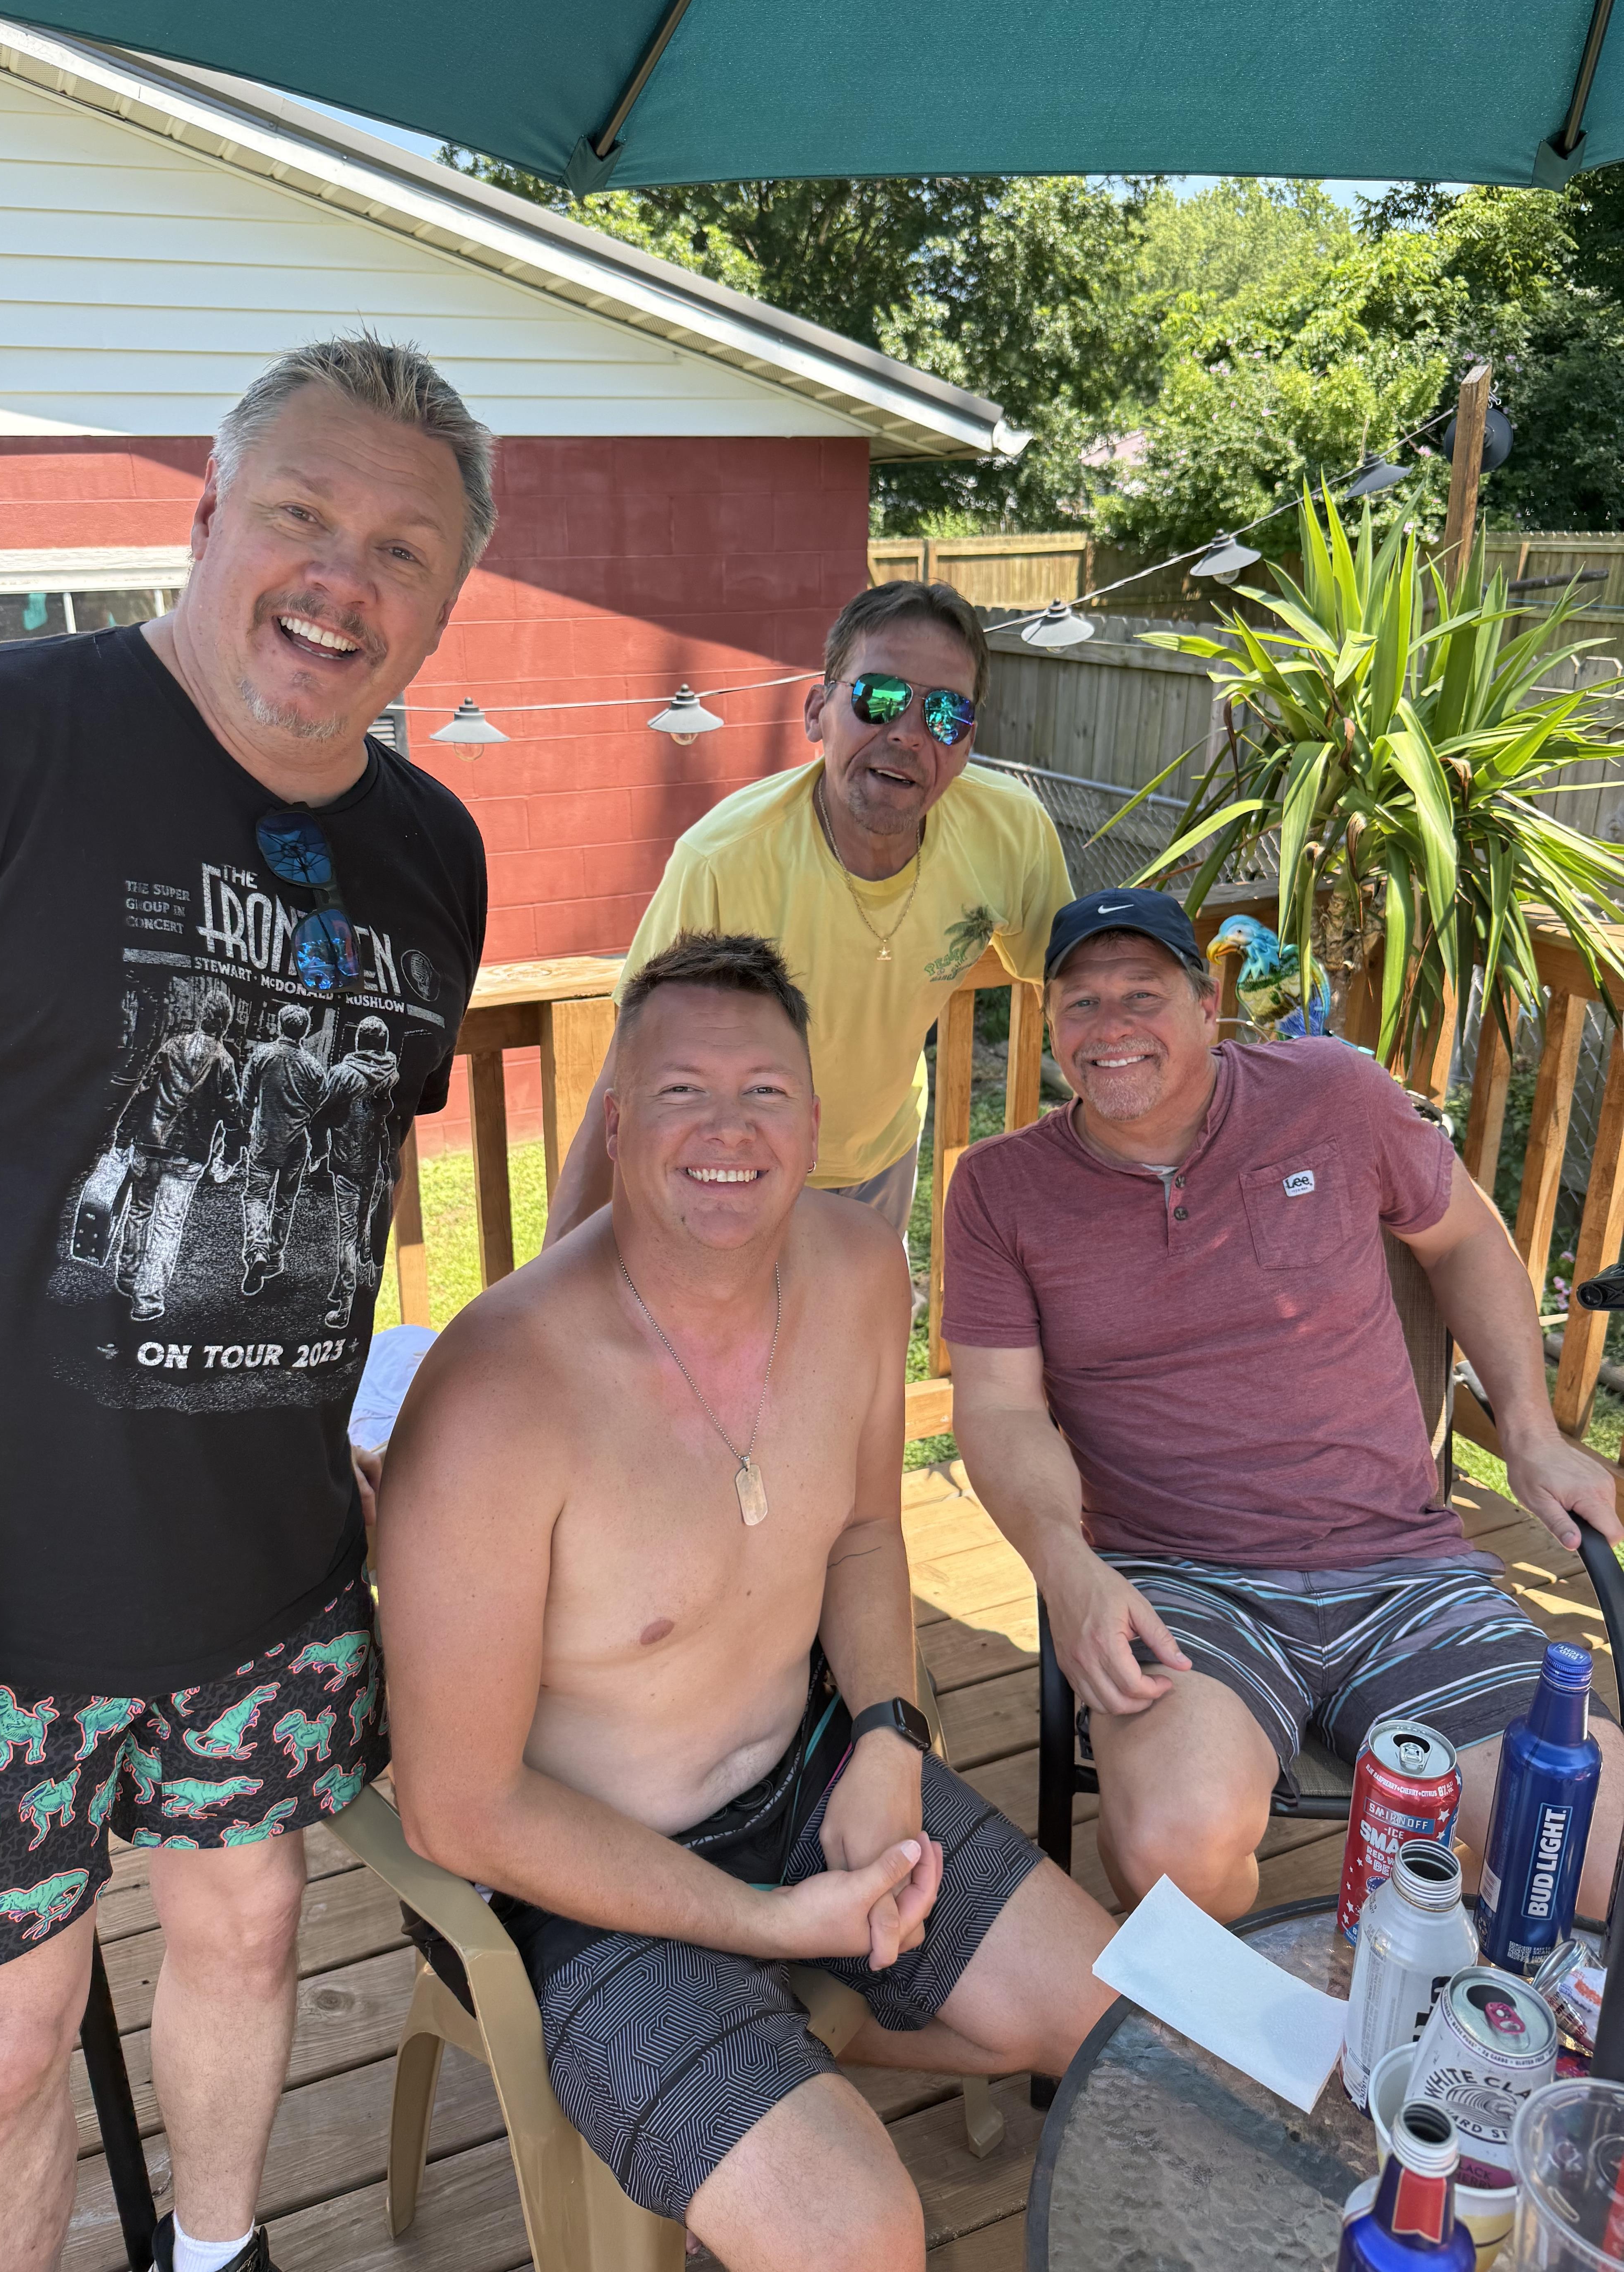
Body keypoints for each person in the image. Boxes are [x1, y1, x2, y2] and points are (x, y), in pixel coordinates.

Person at [0, 333, 493, 2272]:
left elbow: (354, 1178)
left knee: (251, 1927)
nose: (341, 576)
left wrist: (359, 1469)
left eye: (402, 550)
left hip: (266, 1580)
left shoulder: (432, 854)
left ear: (445, 607)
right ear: (208, 519)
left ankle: (220, 2255)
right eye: (302, 513)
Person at [377, 931, 1114, 2272]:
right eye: (680, 1093)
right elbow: (458, 1807)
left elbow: (867, 1537)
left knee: (1119, 2014)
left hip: (813, 1777)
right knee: (861, 2235)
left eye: (763, 1092)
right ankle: (770, 2013)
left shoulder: (856, 1274)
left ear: (816, 1116)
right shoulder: (498, 1395)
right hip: (580, 1886)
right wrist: (769, 1926)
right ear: (612, 1122)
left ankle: (778, 2023)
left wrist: (889, 1733)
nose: (728, 1131)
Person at [943, 888, 1624, 1923]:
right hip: (1184, 1585)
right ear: (1049, 1028)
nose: (1110, 1028)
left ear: (1206, 1004)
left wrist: (1530, 1433)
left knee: (1593, 1851)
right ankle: (1275, 2058)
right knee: (1176, 1851)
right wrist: (1065, 1568)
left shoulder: (1332, 1095)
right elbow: (998, 1412)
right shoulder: (1002, 1190)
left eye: (1143, 995)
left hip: (1404, 1570)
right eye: (1081, 1005)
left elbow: (1466, 1236)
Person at [543, 580, 1071, 1246]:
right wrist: (553, 1270)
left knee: (856, 1342)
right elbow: (629, 1060)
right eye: (878, 698)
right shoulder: (723, 860)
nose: (908, 734)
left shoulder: (1008, 830)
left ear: (966, 742)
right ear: (817, 711)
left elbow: (1075, 983)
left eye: (945, 714)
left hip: (883, 1151)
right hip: (737, 1162)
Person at [115, 982, 245, 1323]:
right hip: (188, 1153)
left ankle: (127, 1277)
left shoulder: (172, 1046)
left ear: (202, 1017)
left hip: (149, 1141)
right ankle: (148, 1298)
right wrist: (229, 1157)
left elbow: (143, 1092)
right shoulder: (224, 1063)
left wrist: (122, 1137)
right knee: (168, 1224)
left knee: (139, 1211)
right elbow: (234, 1116)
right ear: (226, 1025)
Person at [314, 1015, 400, 1328]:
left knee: (348, 1235)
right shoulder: (391, 1070)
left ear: (358, 1042)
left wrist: (320, 1144)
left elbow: (323, 1113)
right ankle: (354, 1283)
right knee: (366, 1227)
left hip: (348, 1160)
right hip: (377, 1160)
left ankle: (345, 1304)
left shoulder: (343, 1075)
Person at [238, 1002, 328, 1298]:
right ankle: (275, 1257)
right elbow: (320, 1114)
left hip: (265, 1140)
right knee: (285, 1202)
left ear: (280, 1025)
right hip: (297, 1144)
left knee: (256, 1197)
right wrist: (318, 1150)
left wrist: (241, 1131)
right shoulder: (314, 1069)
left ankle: (257, 1251)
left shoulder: (261, 1056)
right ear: (305, 1032)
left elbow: (247, 1097)